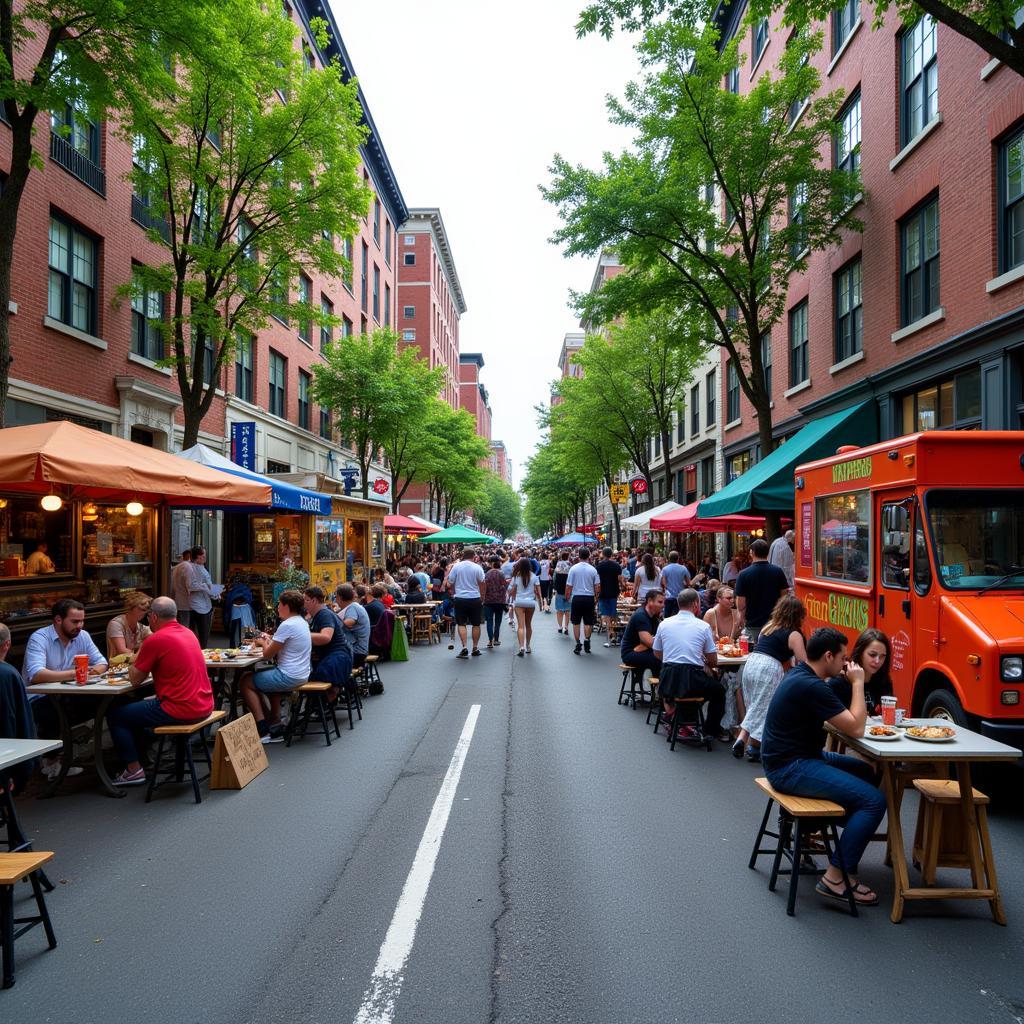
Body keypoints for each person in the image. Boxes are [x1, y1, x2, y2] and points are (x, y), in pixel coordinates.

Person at [761, 627, 886, 907]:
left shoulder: (802, 674)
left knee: (867, 772)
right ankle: (834, 876)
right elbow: (855, 727)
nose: (846, 663)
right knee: (874, 802)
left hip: (795, 758)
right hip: (790, 767)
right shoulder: (813, 685)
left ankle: (841, 831)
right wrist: (858, 683)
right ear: (828, 656)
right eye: (843, 657)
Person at [108, 596, 214, 785]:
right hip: (204, 703)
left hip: (180, 708)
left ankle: (133, 769)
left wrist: (140, 652)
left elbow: (134, 679)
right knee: (136, 708)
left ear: (154, 617)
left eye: (149, 617)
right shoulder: (189, 633)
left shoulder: (156, 639)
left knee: (117, 716)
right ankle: (145, 755)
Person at [22, 598, 107, 780]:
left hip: (69, 694)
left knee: (111, 702)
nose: (80, 626)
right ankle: (51, 764)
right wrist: (76, 673)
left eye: (82, 621)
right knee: (52, 710)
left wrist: (93, 671)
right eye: (75, 621)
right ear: (58, 620)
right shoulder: (40, 638)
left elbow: (101, 663)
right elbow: (36, 674)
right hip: (38, 698)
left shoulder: (82, 636)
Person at [735, 594, 808, 761]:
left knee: (755, 704)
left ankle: (744, 740)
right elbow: (804, 662)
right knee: (764, 708)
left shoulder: (768, 627)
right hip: (769, 667)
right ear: (798, 614)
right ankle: (754, 747)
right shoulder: (794, 634)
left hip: (752, 663)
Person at [652, 588, 728, 743]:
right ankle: (709, 729)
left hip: (668, 680)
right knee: (719, 690)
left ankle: (680, 717)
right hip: (692, 680)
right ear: (695, 604)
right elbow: (713, 661)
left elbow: (657, 653)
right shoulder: (702, 626)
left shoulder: (664, 624)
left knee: (702, 688)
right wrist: (704, 663)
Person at [239, 590, 312, 742]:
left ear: (287, 606)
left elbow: (268, 655)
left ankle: (262, 728)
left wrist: (262, 641)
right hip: (301, 673)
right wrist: (270, 639)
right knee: (259, 677)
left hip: (289, 675)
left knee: (246, 681)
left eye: (280, 604)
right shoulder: (301, 622)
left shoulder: (288, 625)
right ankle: (273, 721)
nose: (278, 607)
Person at [734, 538, 789, 645]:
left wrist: (740, 616)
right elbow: (784, 597)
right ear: (767, 553)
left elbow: (741, 603)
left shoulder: (743, 574)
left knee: (753, 652)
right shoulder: (778, 571)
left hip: (752, 622)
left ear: (752, 553)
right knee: (773, 649)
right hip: (774, 622)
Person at [304, 586, 353, 705]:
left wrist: (300, 635)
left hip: (338, 659)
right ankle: (323, 703)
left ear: (314, 600)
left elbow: (326, 637)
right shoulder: (320, 615)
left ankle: (325, 702)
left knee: (310, 676)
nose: (303, 603)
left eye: (305, 600)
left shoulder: (324, 614)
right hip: (340, 657)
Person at [829, 628, 893, 714]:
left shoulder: (884, 682)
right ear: (860, 652)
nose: (878, 661)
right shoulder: (840, 682)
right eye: (872, 655)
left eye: (882, 656)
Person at [447, 546, 486, 659]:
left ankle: (464, 647)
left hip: (460, 598)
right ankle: (475, 648)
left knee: (461, 623)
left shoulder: (456, 567)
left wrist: (453, 592)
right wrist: (482, 596)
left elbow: (450, 582)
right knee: (476, 624)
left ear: (463, 556)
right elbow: (482, 583)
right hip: (475, 598)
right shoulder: (477, 568)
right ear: (474, 557)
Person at [620, 590, 664, 680]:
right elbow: (651, 642)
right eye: (660, 602)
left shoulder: (654, 618)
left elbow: (657, 640)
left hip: (640, 650)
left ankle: (658, 688)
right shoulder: (641, 615)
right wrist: (650, 643)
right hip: (630, 653)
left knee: (664, 657)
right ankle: (660, 689)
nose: (663, 605)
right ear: (650, 601)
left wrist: (646, 645)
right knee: (660, 660)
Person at [565, 547, 601, 655]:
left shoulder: (573, 569)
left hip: (576, 597)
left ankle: (578, 643)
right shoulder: (593, 569)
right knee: (588, 622)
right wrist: (596, 597)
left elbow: (569, 586)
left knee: (576, 622)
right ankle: (587, 640)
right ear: (589, 556)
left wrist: (567, 596)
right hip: (589, 597)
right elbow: (597, 586)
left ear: (579, 556)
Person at [507, 557, 541, 656]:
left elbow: (510, 590)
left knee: (520, 626)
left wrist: (510, 596)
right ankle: (528, 646)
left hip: (519, 602)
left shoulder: (516, 576)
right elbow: (538, 591)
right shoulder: (534, 576)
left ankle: (521, 647)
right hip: (531, 603)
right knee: (528, 625)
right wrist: (541, 604)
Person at [105, 591, 152, 658]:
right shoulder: (116, 624)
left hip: (134, 664)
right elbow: (122, 651)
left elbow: (155, 638)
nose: (144, 612)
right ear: (130, 608)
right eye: (141, 609)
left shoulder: (140, 626)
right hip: (118, 666)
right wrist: (142, 651)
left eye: (146, 610)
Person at [186, 545, 216, 648]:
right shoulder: (193, 568)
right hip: (201, 605)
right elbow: (192, 586)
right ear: (198, 556)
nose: (205, 557)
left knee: (194, 633)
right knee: (203, 634)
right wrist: (212, 591)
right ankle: (201, 655)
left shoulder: (198, 567)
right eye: (204, 555)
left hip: (197, 604)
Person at [336, 583, 370, 669]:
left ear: (339, 597)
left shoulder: (352, 608)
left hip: (355, 652)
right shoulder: (355, 606)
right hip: (361, 650)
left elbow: (349, 622)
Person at [595, 547, 623, 646]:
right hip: (613, 592)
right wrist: (622, 587)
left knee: (605, 614)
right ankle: (614, 634)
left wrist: (596, 592)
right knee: (613, 613)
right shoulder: (616, 566)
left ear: (603, 554)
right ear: (611, 554)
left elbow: (597, 581)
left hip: (603, 592)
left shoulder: (599, 566)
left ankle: (609, 634)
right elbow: (620, 579)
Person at [482, 556, 507, 649]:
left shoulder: (487, 574)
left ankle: (490, 640)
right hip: (500, 600)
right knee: (498, 621)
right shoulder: (501, 573)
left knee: (489, 620)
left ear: (492, 564)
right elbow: (504, 584)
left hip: (488, 600)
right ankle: (496, 639)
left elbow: (484, 586)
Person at [660, 550, 691, 618]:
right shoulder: (683, 568)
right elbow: (689, 583)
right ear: (678, 559)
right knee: (678, 616)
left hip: (669, 597)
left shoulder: (665, 569)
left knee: (667, 617)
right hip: (680, 597)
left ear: (669, 559)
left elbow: (663, 583)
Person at [170, 548, 193, 627]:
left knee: (180, 625)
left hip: (177, 601)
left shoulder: (176, 567)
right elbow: (189, 586)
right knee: (185, 626)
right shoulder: (188, 567)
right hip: (186, 603)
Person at [553, 553, 572, 635]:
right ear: (568, 557)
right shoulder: (570, 565)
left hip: (559, 590)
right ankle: (566, 627)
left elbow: (554, 578)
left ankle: (560, 627)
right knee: (567, 611)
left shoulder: (558, 565)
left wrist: (555, 588)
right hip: (568, 590)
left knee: (559, 610)